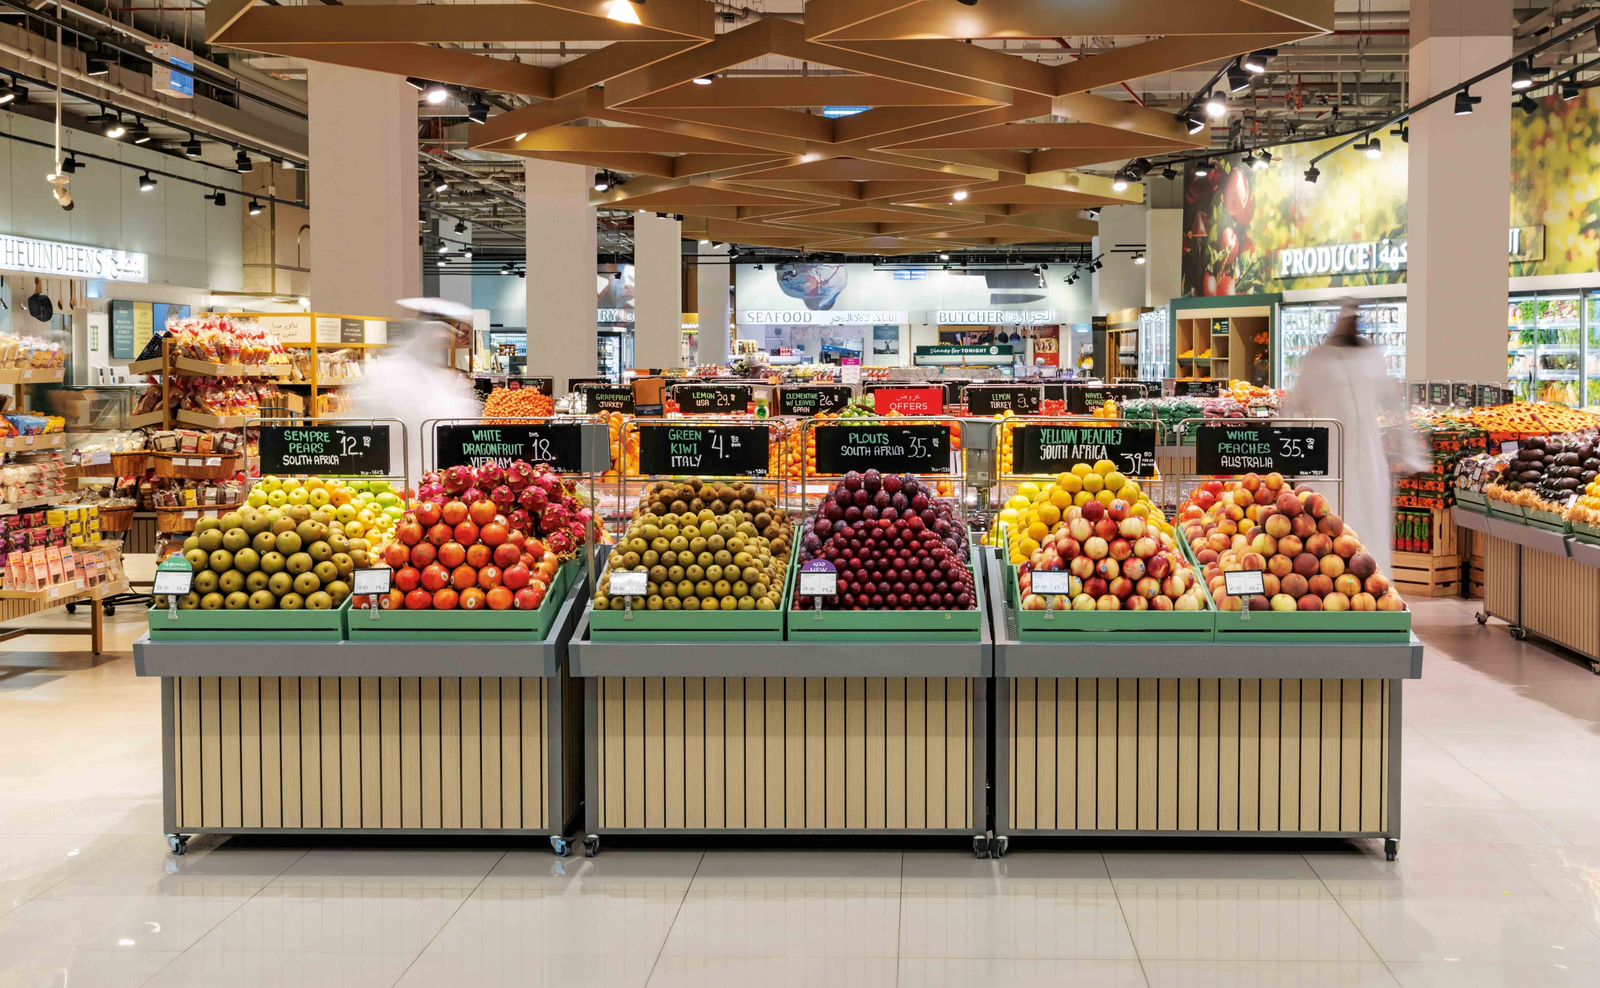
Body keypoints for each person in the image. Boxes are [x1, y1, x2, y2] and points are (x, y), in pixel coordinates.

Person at [1282, 301, 1427, 580]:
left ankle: (1376, 586)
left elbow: (1394, 406)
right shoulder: (1318, 360)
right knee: (1328, 526)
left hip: (1369, 460)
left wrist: (1411, 456)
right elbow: (1295, 405)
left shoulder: (1371, 358)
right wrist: (1286, 452)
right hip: (1328, 459)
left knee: (1370, 526)